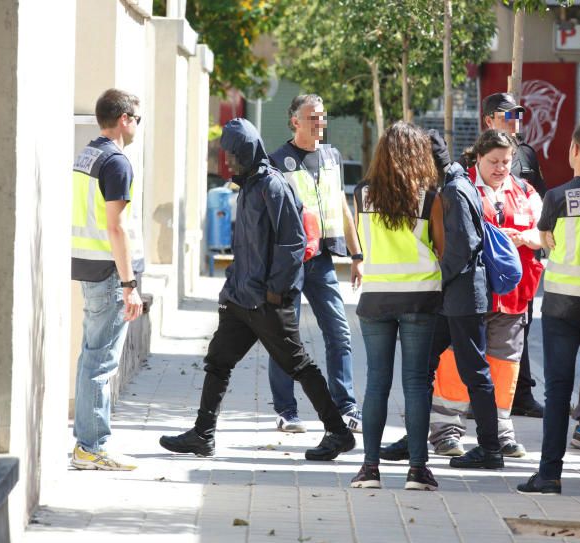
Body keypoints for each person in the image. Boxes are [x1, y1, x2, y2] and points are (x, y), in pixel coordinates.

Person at [159, 119, 355, 461]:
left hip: (265, 303)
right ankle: (202, 434)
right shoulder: (248, 186)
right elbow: (245, 245)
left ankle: (338, 432)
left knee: (299, 366)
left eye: (233, 155)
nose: (229, 162)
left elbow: (293, 244)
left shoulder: (272, 186)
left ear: (246, 152)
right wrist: (230, 287)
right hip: (240, 299)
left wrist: (276, 292)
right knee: (217, 362)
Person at [429, 130, 544, 459]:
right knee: (454, 362)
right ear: (477, 158)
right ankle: (447, 428)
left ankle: (500, 429)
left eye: (506, 162)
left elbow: (546, 234)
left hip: (513, 298)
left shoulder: (524, 192)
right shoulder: (462, 190)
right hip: (470, 296)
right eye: (493, 161)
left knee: (504, 365)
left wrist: (525, 238)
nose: (500, 168)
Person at [348, 122, 444, 491]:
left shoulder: (363, 194)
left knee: (376, 383)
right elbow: (443, 247)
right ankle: (417, 470)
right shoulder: (430, 197)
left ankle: (369, 469)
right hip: (421, 296)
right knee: (417, 384)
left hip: (375, 298)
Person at [517, 122, 580, 494]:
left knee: (557, 391)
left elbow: (546, 239)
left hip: (561, 307)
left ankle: (549, 475)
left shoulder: (556, 197)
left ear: (573, 150)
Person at [267, 94, 364, 434]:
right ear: (295, 121)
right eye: (312, 117)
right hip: (289, 263)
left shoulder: (331, 157)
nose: (319, 122)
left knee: (339, 332)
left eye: (322, 116)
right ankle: (286, 411)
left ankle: (346, 406)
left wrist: (357, 255)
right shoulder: (276, 161)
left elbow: (341, 205)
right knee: (285, 339)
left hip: (322, 260)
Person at [69, 88, 145, 471]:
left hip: (89, 266)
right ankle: (92, 444)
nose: (137, 127)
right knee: (100, 362)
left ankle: (86, 443)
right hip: (108, 273)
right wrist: (129, 285)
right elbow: (117, 228)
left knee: (91, 357)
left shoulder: (88, 154)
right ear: (124, 118)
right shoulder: (116, 162)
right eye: (137, 119)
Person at [429, 130, 503, 470]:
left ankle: (490, 449)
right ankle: (415, 435)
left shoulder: (456, 190)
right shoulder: (456, 184)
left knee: (475, 372)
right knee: (423, 364)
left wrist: (436, 279)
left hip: (462, 297)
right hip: (456, 297)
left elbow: (463, 247)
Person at [480, 92, 546, 418]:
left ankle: (518, 395)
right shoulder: (473, 160)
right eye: (507, 115)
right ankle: (479, 396)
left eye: (517, 116)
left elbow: (542, 205)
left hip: (522, 267)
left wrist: (540, 246)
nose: (514, 122)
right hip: (485, 265)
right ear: (489, 120)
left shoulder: (527, 156)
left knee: (520, 329)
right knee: (484, 332)